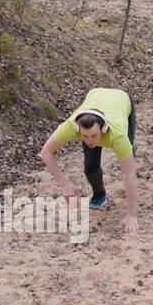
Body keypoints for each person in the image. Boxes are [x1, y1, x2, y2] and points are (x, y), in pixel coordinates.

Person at [38, 88, 139, 232]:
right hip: (95, 94)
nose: (89, 141)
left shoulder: (117, 135)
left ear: (103, 129)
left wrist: (131, 214)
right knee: (90, 166)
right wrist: (65, 184)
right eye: (85, 136)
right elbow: (46, 152)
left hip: (122, 100)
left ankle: (130, 146)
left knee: (128, 162)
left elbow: (129, 175)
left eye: (93, 136)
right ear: (79, 130)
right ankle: (99, 194)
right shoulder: (70, 127)